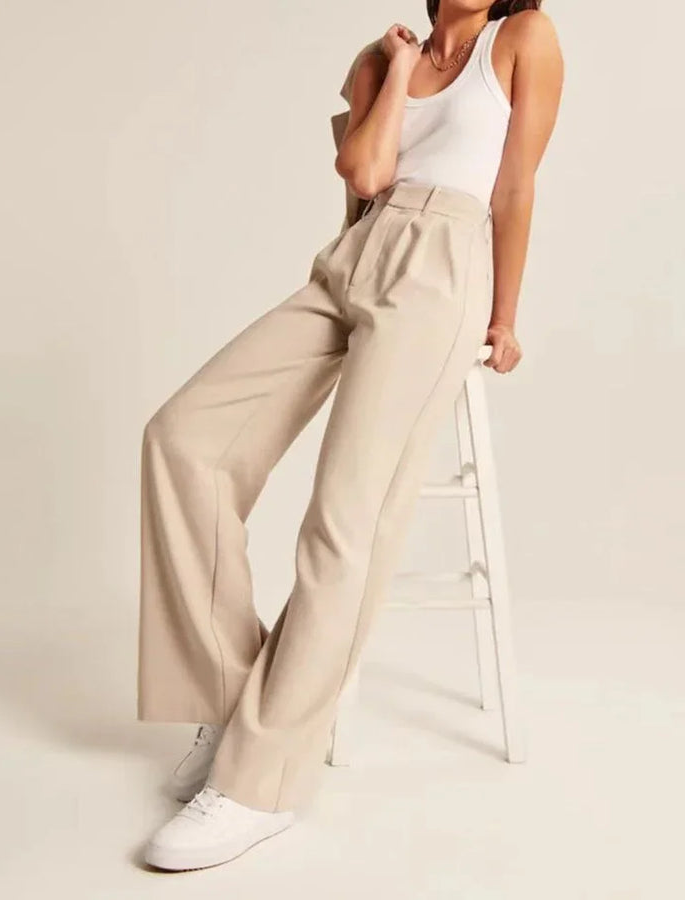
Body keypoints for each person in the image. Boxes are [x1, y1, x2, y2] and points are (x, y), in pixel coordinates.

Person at [138, 0, 563, 871]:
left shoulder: (524, 38)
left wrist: (506, 315)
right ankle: (230, 700)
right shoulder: (383, 56)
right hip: (357, 253)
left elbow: (516, 185)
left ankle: (262, 782)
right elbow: (366, 175)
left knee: (343, 523)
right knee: (183, 441)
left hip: (444, 267)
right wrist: (396, 71)